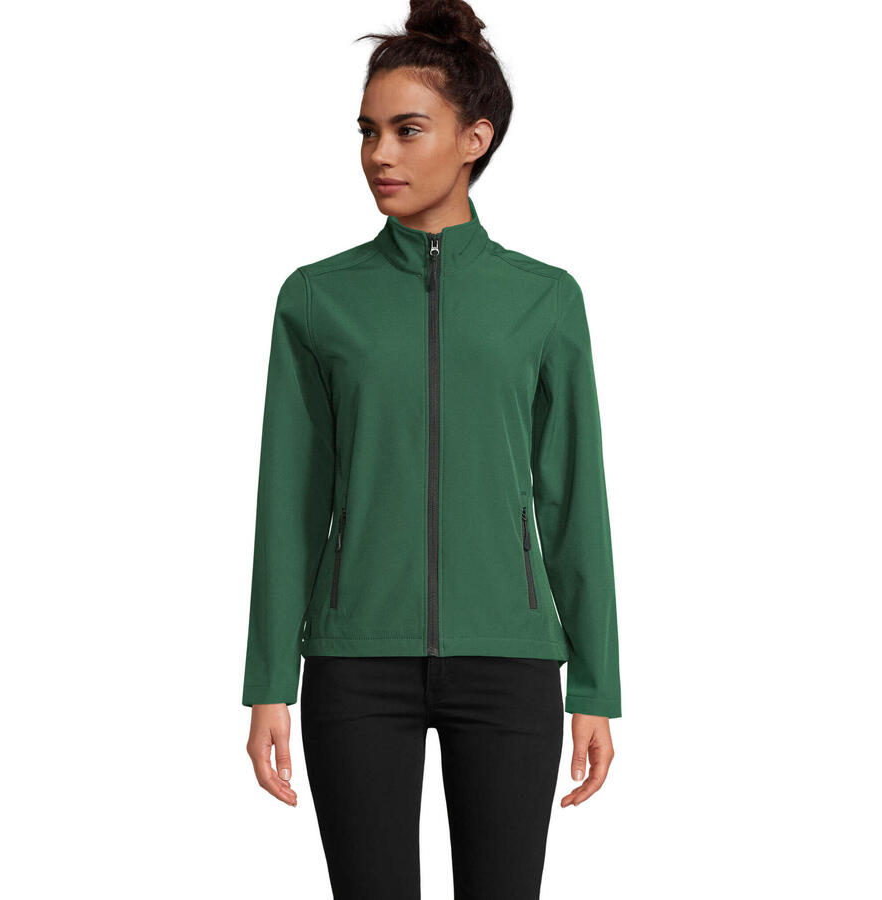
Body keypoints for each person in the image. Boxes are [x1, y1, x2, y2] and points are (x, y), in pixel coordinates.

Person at [243, 1, 622, 896]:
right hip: (354, 661)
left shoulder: (545, 300)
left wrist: (596, 686)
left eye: (408, 130)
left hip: (511, 661)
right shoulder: (316, 299)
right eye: (368, 131)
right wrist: (268, 680)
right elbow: (290, 496)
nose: (380, 154)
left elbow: (574, 497)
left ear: (474, 139)